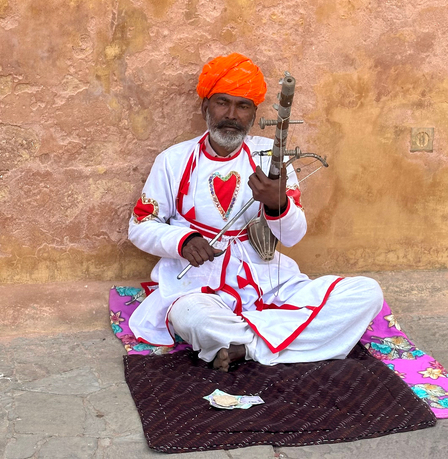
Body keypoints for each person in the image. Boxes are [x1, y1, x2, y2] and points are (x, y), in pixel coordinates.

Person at [128, 53, 383, 371]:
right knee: (193, 318)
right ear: (205, 107)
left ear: (254, 114)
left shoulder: (271, 157)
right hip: (197, 284)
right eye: (222, 103)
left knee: (367, 293)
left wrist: (278, 204)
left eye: (243, 106)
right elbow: (140, 226)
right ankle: (283, 336)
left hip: (268, 280)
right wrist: (183, 240)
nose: (231, 115)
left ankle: (244, 347)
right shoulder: (173, 160)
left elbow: (293, 235)